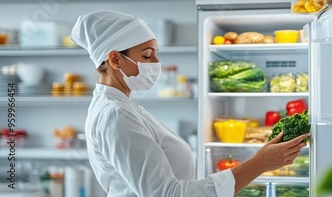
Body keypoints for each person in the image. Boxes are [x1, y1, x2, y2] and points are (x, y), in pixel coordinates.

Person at [71, 10, 309, 197]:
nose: (156, 63)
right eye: (146, 55)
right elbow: (167, 194)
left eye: (155, 54)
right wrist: (259, 164)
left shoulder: (123, 107)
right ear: (115, 59)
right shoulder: (115, 115)